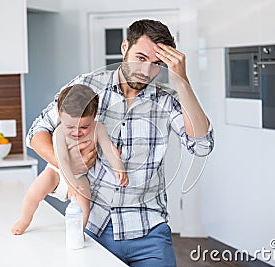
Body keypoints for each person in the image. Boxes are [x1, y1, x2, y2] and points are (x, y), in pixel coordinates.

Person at [26, 19, 214, 266]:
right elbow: (36, 133)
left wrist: (182, 80)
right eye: (141, 57)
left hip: (150, 232)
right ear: (124, 46)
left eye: (157, 64)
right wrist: (67, 167)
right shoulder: (88, 85)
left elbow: (201, 145)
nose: (146, 71)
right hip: (93, 227)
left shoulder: (167, 101)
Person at [12, 84, 129, 235]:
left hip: (79, 176)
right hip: (55, 171)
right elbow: (62, 161)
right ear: (60, 116)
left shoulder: (97, 128)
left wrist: (118, 166)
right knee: (34, 192)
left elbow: (108, 148)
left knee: (84, 204)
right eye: (70, 127)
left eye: (84, 127)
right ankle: (24, 220)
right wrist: (69, 183)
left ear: (94, 116)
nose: (77, 132)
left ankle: (78, 233)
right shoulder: (59, 133)